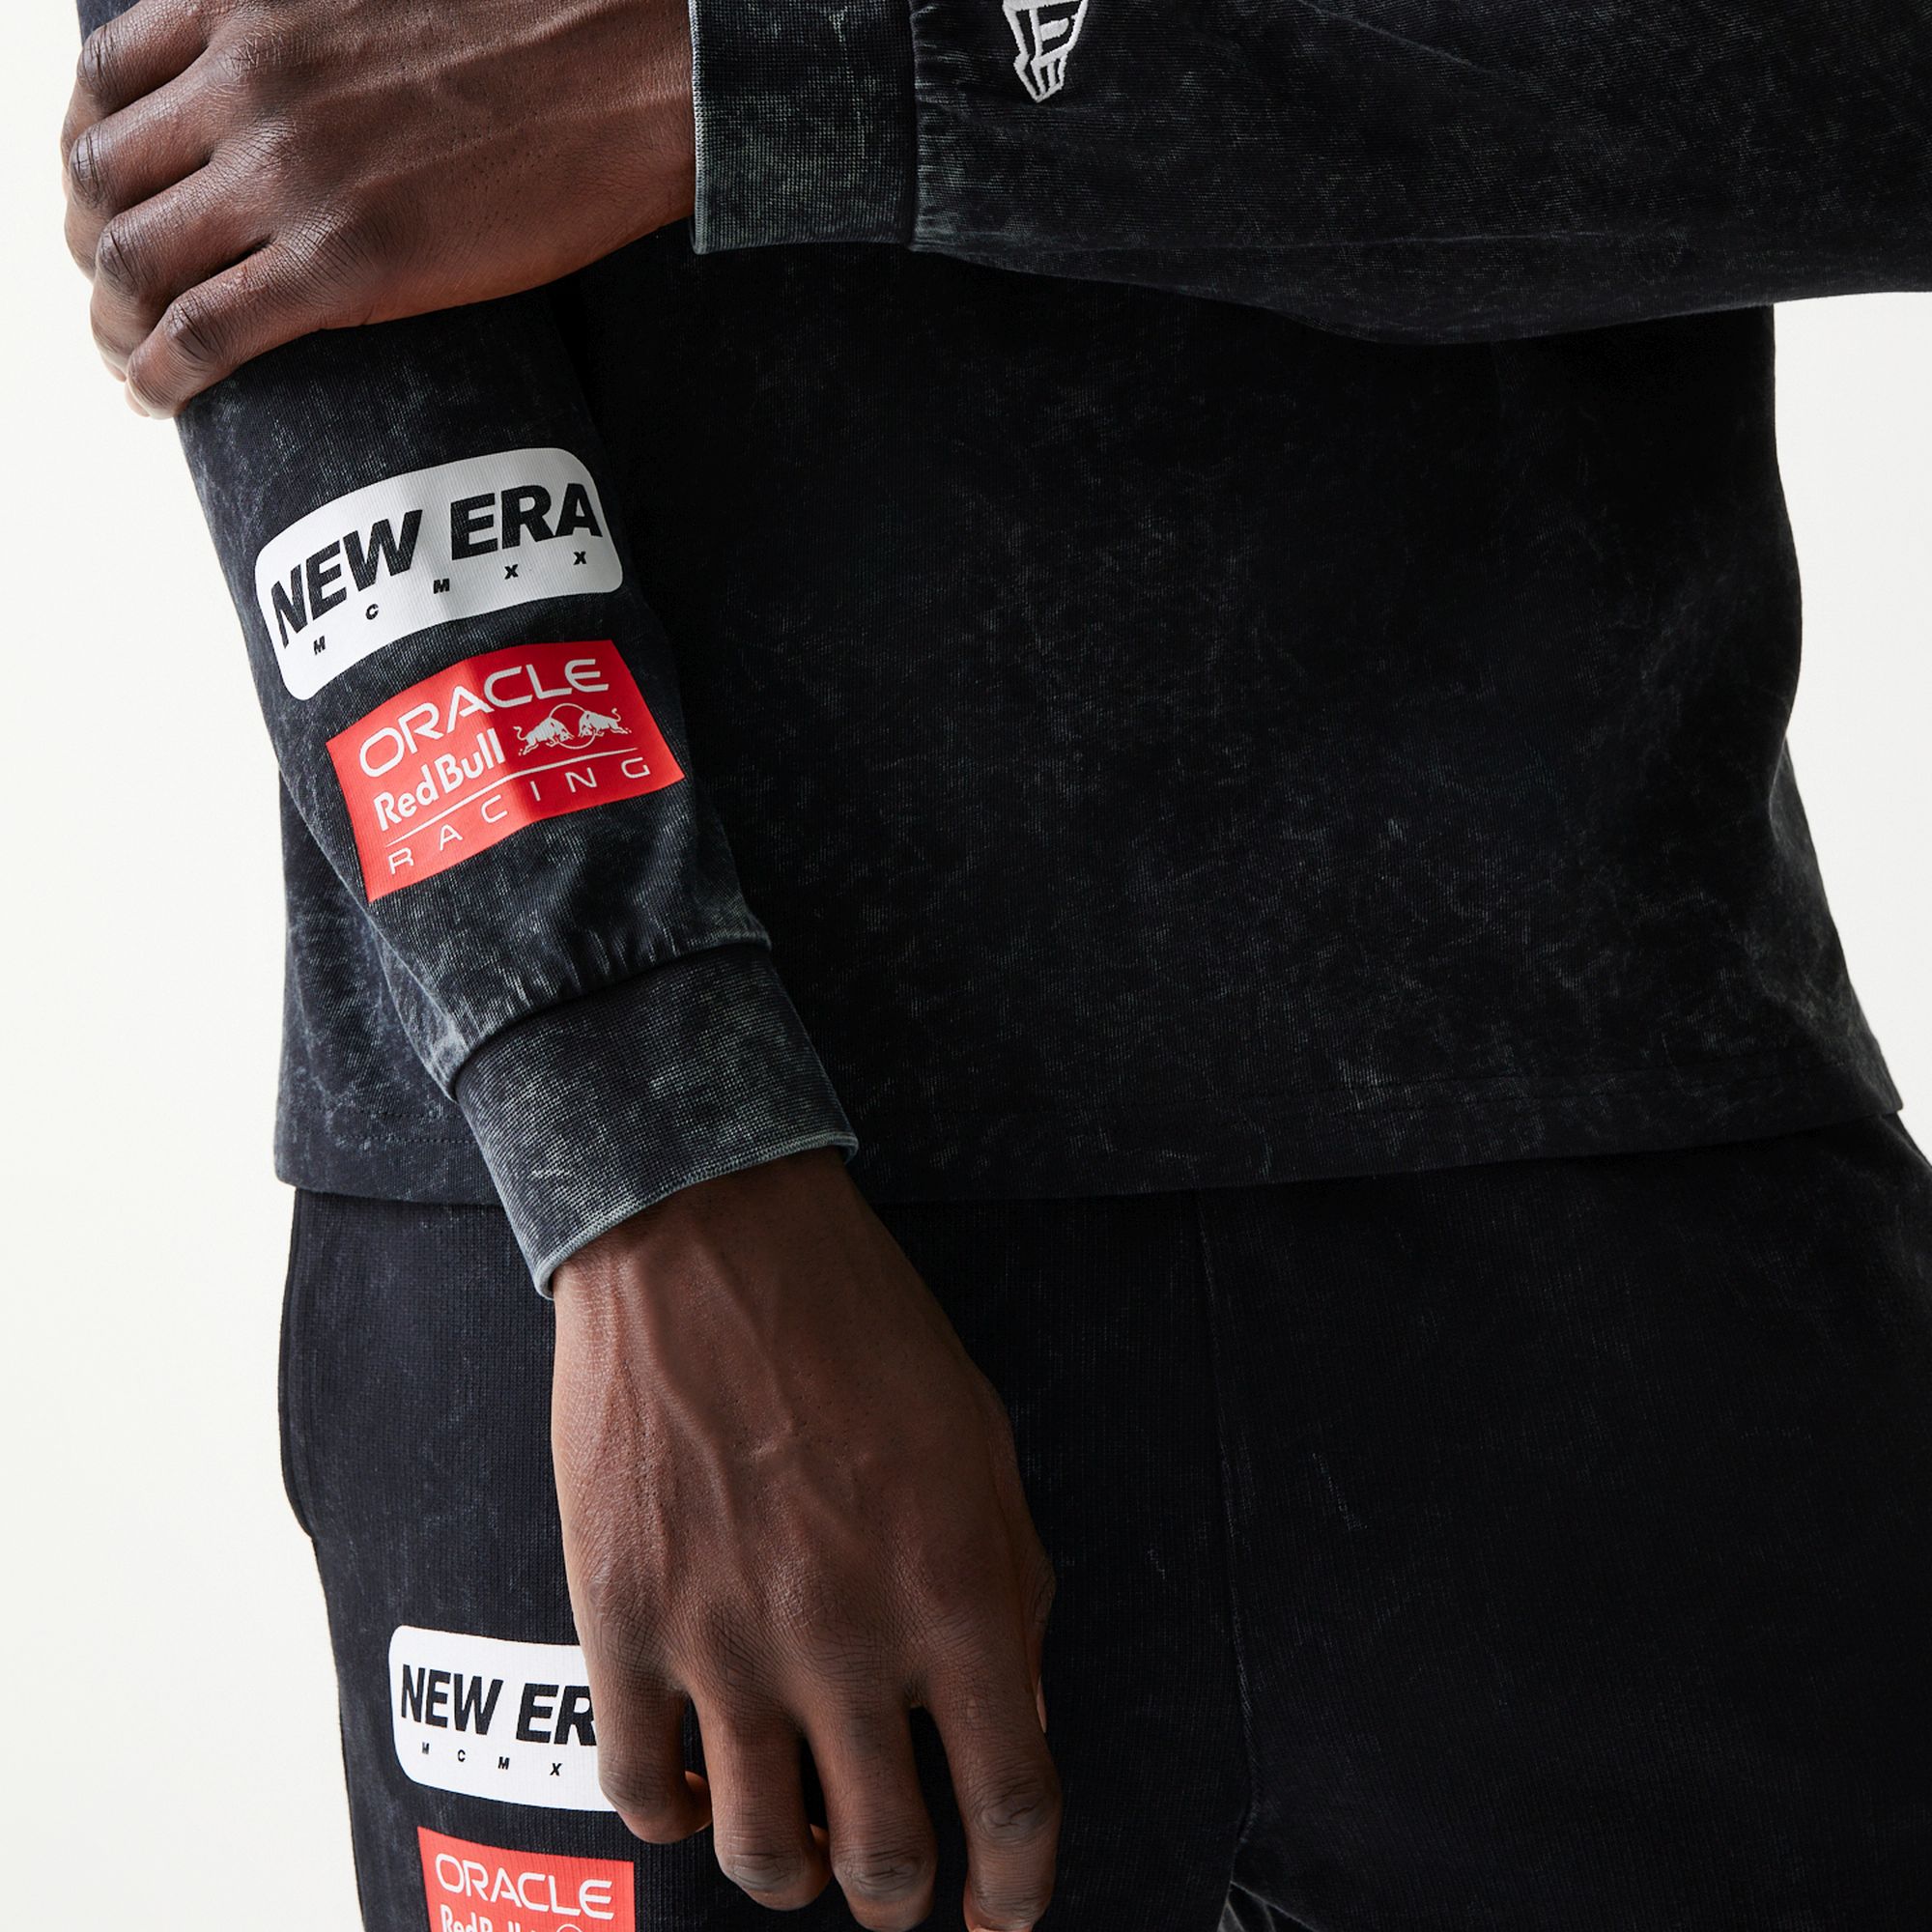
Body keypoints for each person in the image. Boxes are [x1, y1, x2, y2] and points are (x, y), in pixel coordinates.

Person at [59, 0, 1932, 1925]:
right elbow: (277, 155)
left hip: (1607, 1222)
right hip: (643, 1305)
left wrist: (766, 65)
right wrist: (646, 1163)